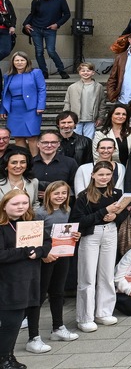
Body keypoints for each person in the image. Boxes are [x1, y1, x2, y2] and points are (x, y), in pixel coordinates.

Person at [69, 161, 125, 329]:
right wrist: (104, 212)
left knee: (107, 274)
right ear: (92, 175)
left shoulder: (116, 193)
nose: (104, 178)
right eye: (100, 174)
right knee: (88, 276)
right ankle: (85, 317)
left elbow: (123, 215)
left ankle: (104, 312)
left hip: (110, 232)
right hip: (91, 235)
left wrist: (115, 217)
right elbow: (78, 221)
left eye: (107, 175)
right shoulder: (84, 196)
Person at [29, 182, 79, 350]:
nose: (60, 196)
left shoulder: (67, 211)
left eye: (63, 193)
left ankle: (58, 327)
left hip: (62, 255)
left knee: (58, 292)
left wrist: (75, 235)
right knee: (40, 295)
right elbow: (35, 236)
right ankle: (33, 336)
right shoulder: (40, 213)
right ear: (48, 194)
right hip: (46, 258)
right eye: (56, 193)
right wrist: (43, 254)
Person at [0, 189, 45, 367]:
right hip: (8, 282)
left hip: (29, 280)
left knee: (17, 321)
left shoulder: (31, 222)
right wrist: (26, 252)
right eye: (15, 203)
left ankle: (9, 356)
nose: (21, 207)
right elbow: (1, 254)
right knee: (11, 322)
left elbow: (47, 242)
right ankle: (3, 359)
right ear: (4, 206)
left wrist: (39, 251)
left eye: (24, 203)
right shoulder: (2, 227)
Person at [21, 0, 70, 78]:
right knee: (39, 51)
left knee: (51, 51)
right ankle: (44, 72)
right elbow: (32, 14)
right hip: (36, 29)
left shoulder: (60, 0)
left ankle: (61, 71)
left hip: (50, 29)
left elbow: (67, 14)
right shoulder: (36, 1)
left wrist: (57, 24)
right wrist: (26, 24)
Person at [1, 53, 46, 149]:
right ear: (13, 62)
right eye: (17, 60)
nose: (19, 62)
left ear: (27, 61)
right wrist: (3, 109)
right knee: (18, 137)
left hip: (31, 109)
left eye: (22, 60)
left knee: (32, 137)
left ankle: (35, 161)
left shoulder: (35, 72)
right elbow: (5, 94)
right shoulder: (8, 75)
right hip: (14, 110)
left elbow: (41, 89)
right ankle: (22, 160)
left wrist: (41, 105)